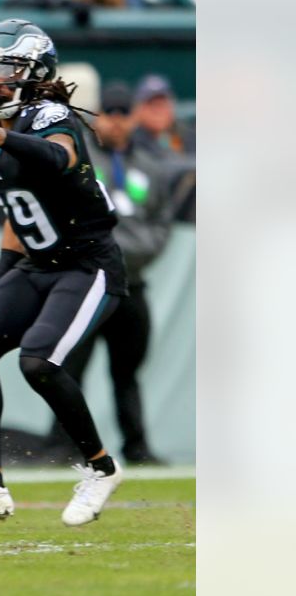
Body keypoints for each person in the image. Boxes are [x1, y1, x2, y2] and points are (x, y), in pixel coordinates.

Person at [0, 18, 127, 527]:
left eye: (7, 70)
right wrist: (2, 274)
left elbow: (59, 159)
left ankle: (100, 468)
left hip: (88, 265)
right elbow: (16, 207)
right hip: (36, 263)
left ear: (35, 71)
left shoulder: (47, 114)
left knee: (38, 361)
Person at [58, 81, 172, 464]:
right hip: (88, 282)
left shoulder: (151, 166)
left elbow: (161, 226)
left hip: (131, 284)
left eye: (125, 113)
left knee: (127, 372)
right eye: (111, 113)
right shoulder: (81, 159)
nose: (118, 122)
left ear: (134, 116)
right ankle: (62, 446)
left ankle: (136, 446)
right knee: (69, 367)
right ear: (97, 116)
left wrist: (124, 256)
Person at [128, 73, 194, 157]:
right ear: (137, 109)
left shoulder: (185, 133)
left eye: (162, 104)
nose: (158, 111)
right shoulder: (131, 140)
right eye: (152, 105)